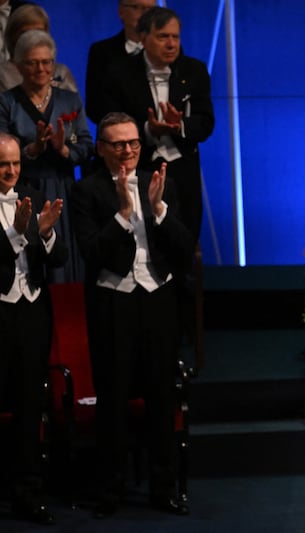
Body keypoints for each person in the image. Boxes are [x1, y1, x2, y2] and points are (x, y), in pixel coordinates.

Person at [69, 111, 194, 518]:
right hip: (113, 302)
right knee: (114, 399)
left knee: (161, 397)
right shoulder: (86, 192)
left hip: (157, 299)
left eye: (133, 143)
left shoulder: (164, 183)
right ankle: (111, 490)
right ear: (102, 149)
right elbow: (91, 253)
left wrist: (157, 209)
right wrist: (124, 213)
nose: (127, 151)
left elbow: (182, 248)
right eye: (118, 144)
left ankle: (164, 488)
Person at [93, 5, 214, 244]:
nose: (171, 44)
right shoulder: (119, 73)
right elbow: (108, 121)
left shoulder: (195, 71)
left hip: (183, 172)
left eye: (175, 37)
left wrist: (179, 126)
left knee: (184, 241)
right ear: (143, 37)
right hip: (139, 167)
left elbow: (206, 123)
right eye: (163, 37)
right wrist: (148, 130)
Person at [0, 131, 66, 525]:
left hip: (31, 312)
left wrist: (43, 231)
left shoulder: (32, 194)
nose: (11, 171)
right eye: (3, 165)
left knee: (29, 407)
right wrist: (15, 233)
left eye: (15, 164)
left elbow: (59, 257)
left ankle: (28, 494)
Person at [0, 29, 92, 283]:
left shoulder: (69, 100)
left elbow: (86, 146)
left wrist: (63, 149)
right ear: (18, 65)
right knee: (30, 256)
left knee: (62, 258)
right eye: (32, 62)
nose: (40, 68)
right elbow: (2, 145)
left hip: (63, 189)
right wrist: (33, 149)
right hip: (24, 189)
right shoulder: (7, 101)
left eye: (46, 62)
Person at [85, 0, 157, 126]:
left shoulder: (166, 52)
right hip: (116, 138)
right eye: (137, 7)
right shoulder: (101, 53)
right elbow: (94, 107)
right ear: (121, 11)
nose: (145, 14)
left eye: (150, 9)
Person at [0, 4, 78, 93]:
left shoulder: (61, 73)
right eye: (26, 33)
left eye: (38, 32)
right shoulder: (2, 75)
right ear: (12, 36)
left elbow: (73, 105)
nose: (33, 38)